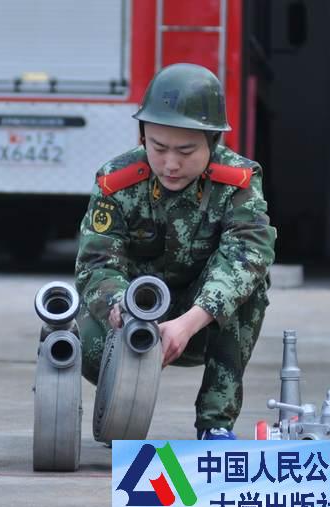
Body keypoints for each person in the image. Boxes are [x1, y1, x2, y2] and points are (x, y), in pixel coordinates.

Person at [74, 63, 277, 440]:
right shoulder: (116, 181)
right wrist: (120, 309)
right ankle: (118, 412)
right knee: (76, 344)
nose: (170, 164)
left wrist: (188, 323)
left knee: (251, 283)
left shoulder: (237, 181)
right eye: (158, 147)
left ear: (213, 141)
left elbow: (249, 253)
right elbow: (96, 264)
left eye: (186, 151)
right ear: (142, 136)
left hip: (201, 325)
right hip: (130, 320)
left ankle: (215, 425)